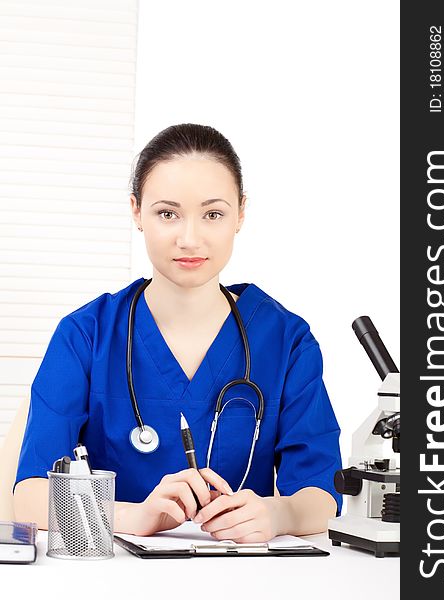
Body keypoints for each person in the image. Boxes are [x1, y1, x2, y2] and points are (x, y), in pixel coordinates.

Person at [13, 123, 342, 543]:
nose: (190, 238)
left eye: (213, 214)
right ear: (136, 212)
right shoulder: (86, 335)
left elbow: (322, 494)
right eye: (167, 213)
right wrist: (135, 516)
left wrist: (279, 514)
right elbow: (29, 496)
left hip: (242, 578)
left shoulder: (286, 340)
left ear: (241, 213)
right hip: (112, 578)